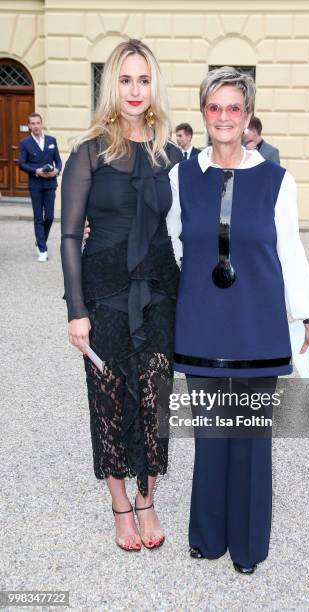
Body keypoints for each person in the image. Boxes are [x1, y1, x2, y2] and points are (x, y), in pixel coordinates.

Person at [168, 67, 309, 574]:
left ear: (249, 114)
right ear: (203, 113)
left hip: (257, 324)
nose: (224, 117)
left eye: (234, 107)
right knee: (212, 433)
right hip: (202, 323)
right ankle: (208, 537)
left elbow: (291, 252)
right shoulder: (182, 174)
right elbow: (167, 240)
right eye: (215, 107)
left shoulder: (279, 180)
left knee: (252, 439)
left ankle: (247, 547)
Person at [60, 39, 181, 552]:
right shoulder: (88, 152)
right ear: (113, 84)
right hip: (104, 295)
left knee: (155, 398)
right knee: (107, 400)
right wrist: (76, 312)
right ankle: (119, 506)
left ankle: (147, 498)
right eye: (126, 79)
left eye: (144, 79)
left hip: (158, 293)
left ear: (154, 86)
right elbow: (68, 236)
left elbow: (189, 226)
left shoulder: (172, 155)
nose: (135, 90)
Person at [18, 113, 62, 262]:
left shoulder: (51, 140)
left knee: (49, 217)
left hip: (50, 183)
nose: (36, 126)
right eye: (33, 123)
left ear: (41, 124)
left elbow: (58, 161)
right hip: (35, 184)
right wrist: (35, 171)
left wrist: (57, 170)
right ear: (29, 126)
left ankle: (40, 240)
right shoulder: (25, 143)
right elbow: (21, 163)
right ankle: (43, 249)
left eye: (38, 123)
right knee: (38, 217)